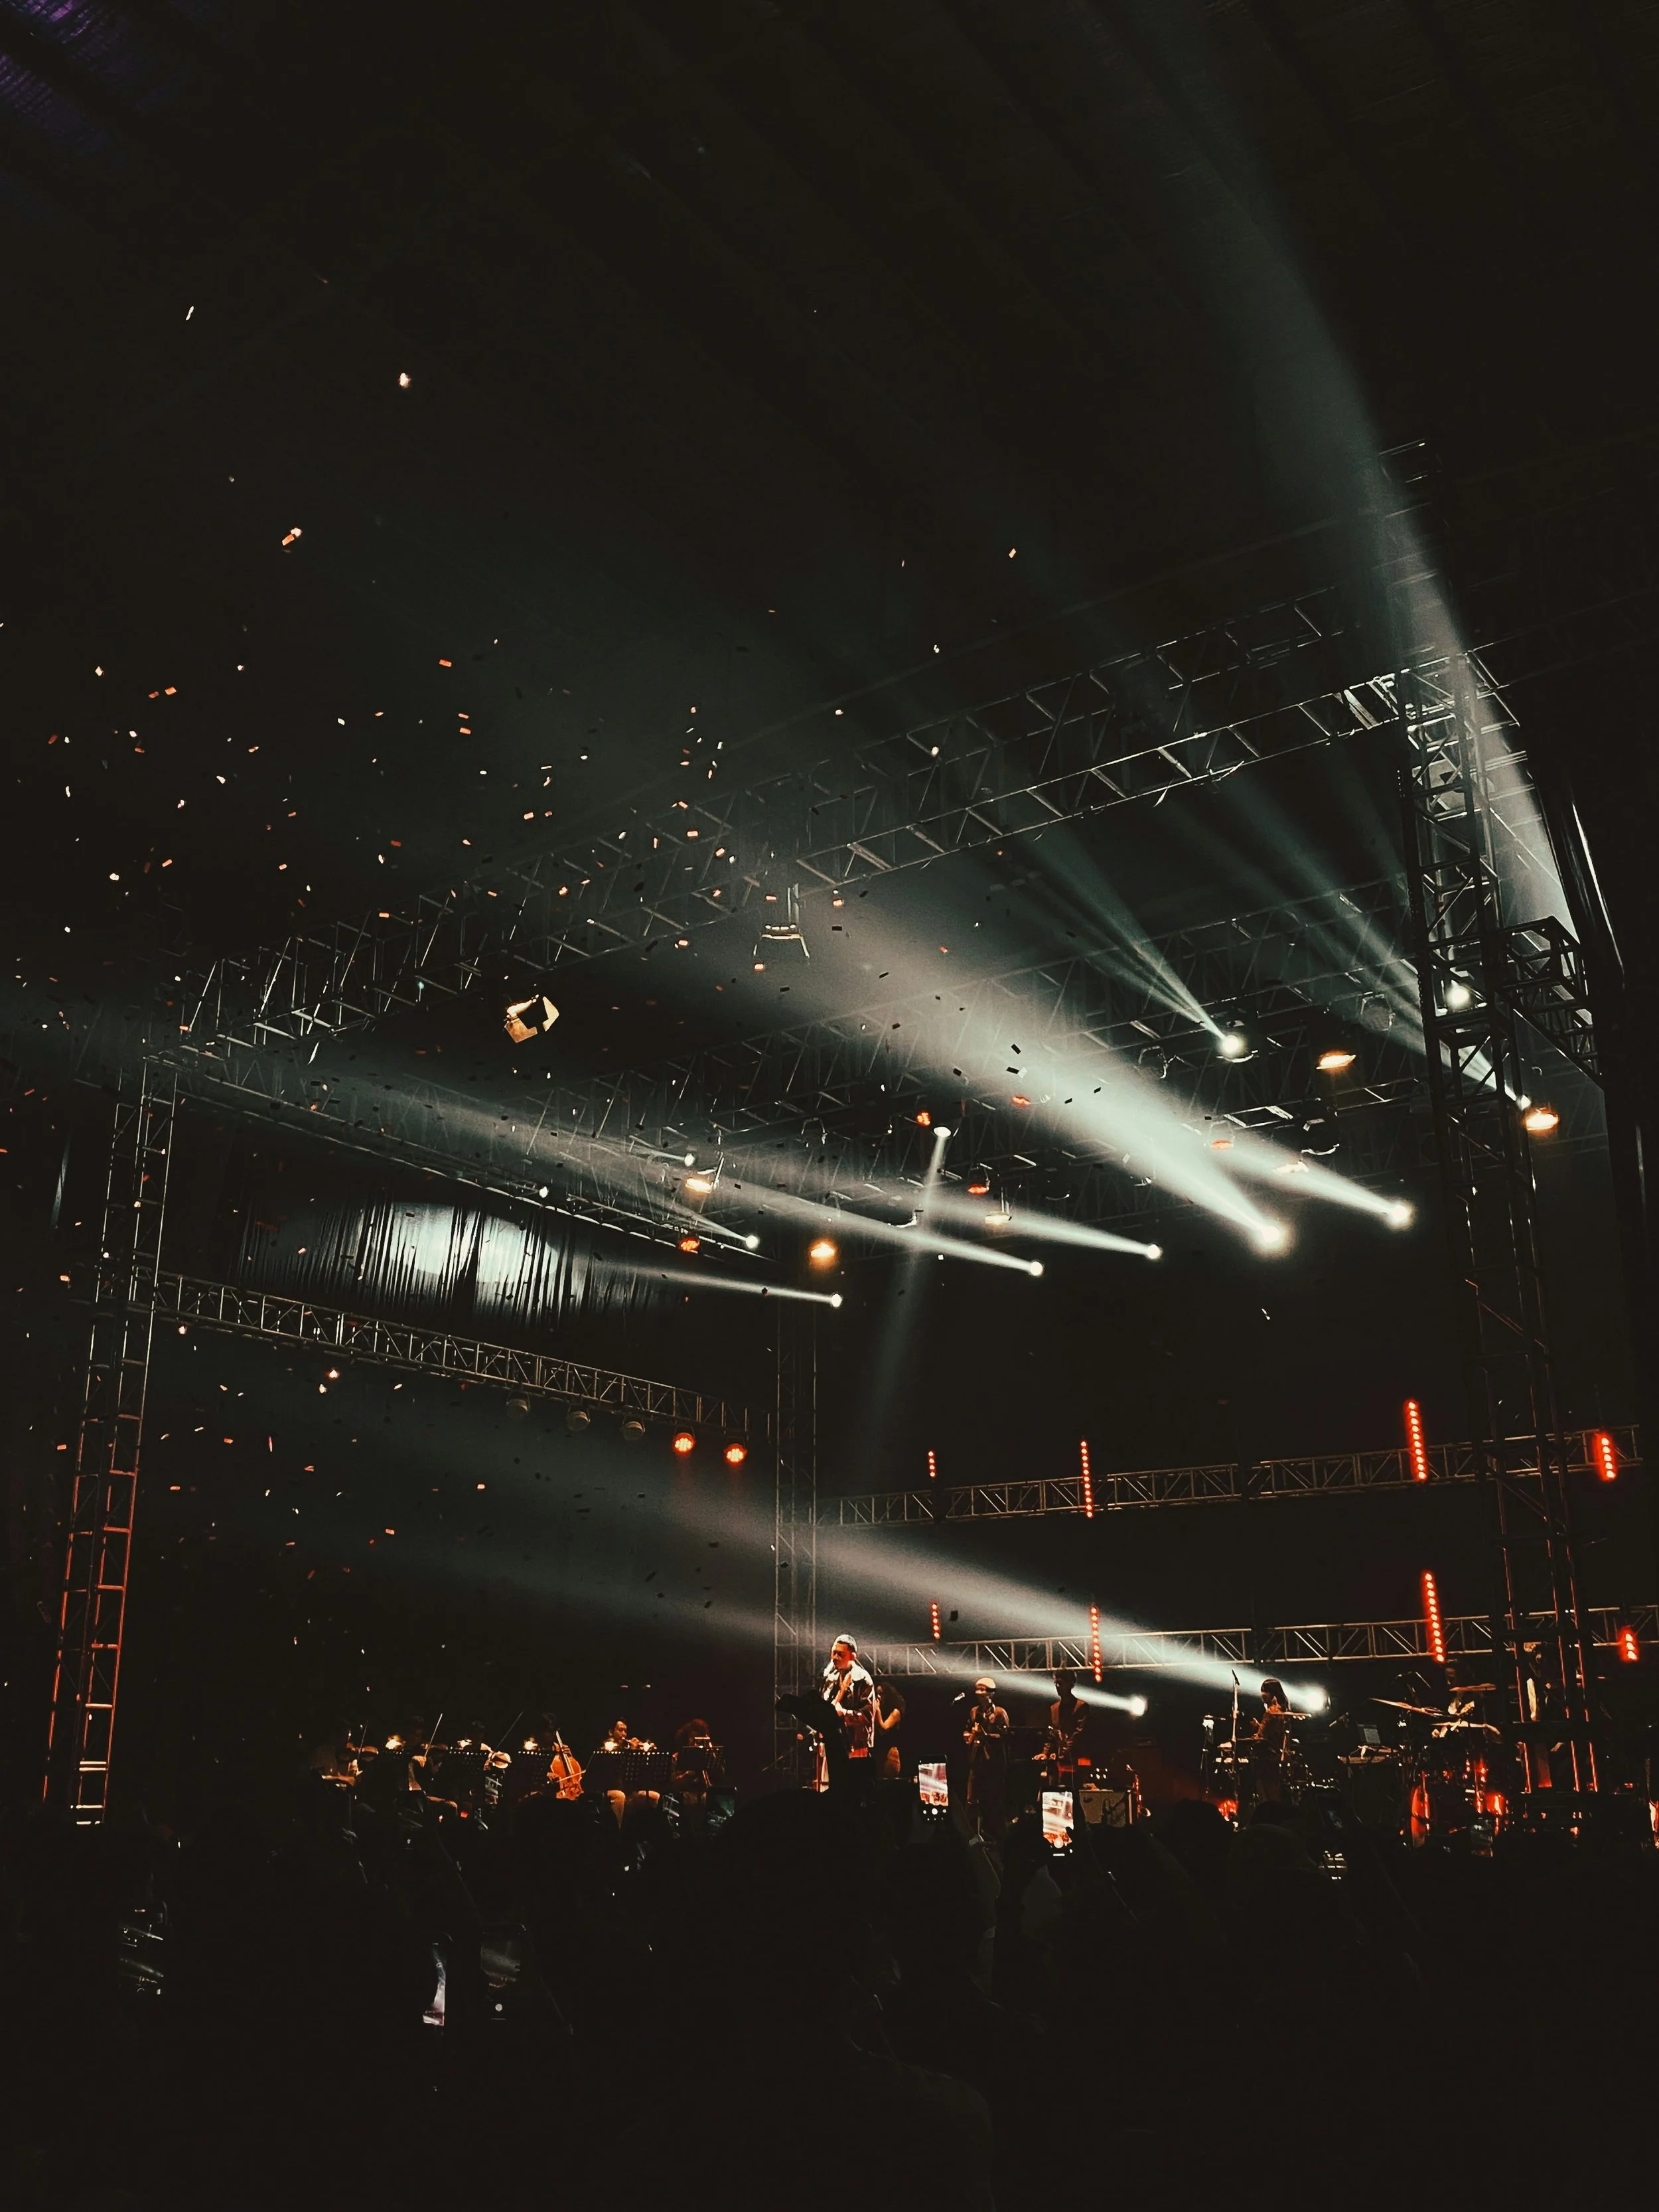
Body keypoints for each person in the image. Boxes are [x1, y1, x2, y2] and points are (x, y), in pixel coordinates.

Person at [818, 1634, 877, 1799]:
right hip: (831, 1744)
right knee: (828, 1793)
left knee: (852, 1793)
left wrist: (844, 1714)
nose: (835, 1658)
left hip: (854, 1746)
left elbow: (867, 1716)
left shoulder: (863, 1679)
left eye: (840, 1654)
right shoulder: (830, 1678)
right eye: (834, 1653)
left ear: (852, 1656)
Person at [964, 1677, 1010, 1840]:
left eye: (983, 1693)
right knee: (972, 1800)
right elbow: (968, 1728)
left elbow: (1005, 1736)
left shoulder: (999, 1713)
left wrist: (987, 1736)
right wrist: (968, 1735)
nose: (980, 1697)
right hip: (977, 1760)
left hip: (994, 1763)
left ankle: (998, 1836)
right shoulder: (974, 1712)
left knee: (994, 1800)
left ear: (991, 1694)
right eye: (978, 1694)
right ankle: (974, 1834)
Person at [1251, 1676, 1290, 1805]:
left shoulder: (1270, 1713)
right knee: (1275, 1792)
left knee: (1265, 1793)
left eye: (1264, 1692)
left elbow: (1261, 1737)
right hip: (1278, 1755)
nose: (1262, 1695)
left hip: (1266, 1757)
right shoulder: (1283, 1711)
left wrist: (1253, 1735)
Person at [874, 1678, 907, 1780]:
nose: (878, 1697)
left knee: (888, 1780)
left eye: (881, 1694)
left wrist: (878, 1711)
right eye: (877, 1694)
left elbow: (884, 1728)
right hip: (878, 1750)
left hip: (890, 1753)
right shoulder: (881, 1711)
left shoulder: (895, 1711)